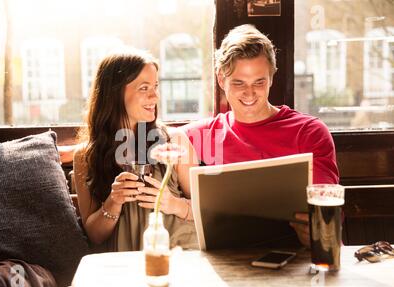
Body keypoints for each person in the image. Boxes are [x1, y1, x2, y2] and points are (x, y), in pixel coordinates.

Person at [182, 24, 339, 248]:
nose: (249, 93)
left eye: (259, 82)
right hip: (229, 263)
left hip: (299, 258)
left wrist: (316, 230)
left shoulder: (308, 132)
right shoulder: (199, 135)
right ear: (220, 79)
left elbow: (327, 216)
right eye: (238, 83)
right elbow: (151, 138)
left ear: (271, 78)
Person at [73, 49, 199, 252]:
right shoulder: (86, 157)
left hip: (179, 256)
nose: (155, 96)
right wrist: (113, 202)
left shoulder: (174, 142)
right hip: (123, 267)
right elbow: (95, 236)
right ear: (115, 93)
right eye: (144, 88)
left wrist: (174, 204)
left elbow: (208, 211)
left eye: (156, 86)